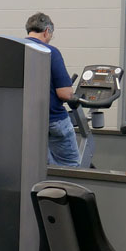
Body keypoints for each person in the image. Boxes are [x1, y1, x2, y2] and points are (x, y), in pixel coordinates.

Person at [23, 12, 79, 167]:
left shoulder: (18, 50)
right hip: (54, 121)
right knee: (71, 167)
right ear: (47, 31)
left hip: (27, 122)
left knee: (40, 167)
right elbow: (64, 93)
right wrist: (72, 95)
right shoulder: (51, 52)